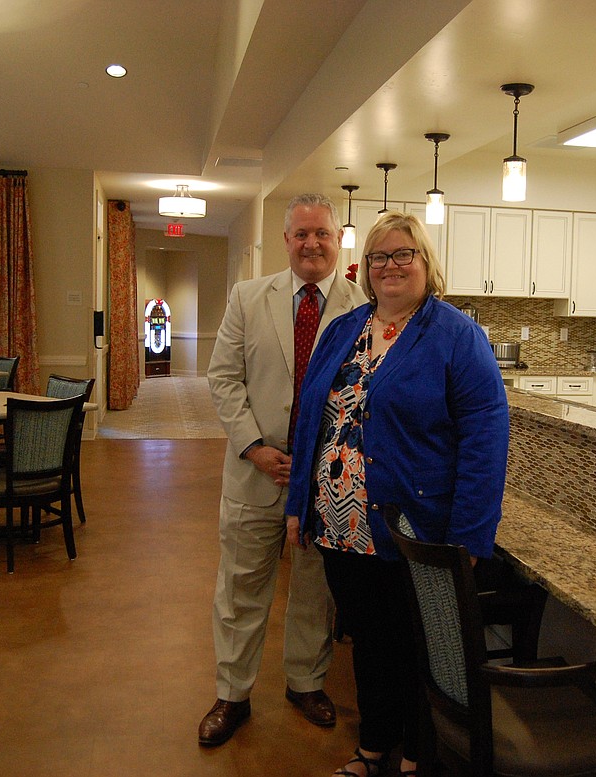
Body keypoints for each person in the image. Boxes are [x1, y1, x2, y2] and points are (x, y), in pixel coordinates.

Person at [284, 211, 509, 777]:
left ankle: (416, 753)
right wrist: (298, 505)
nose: (391, 265)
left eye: (403, 254)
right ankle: (373, 746)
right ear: (366, 269)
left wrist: (469, 534)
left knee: (416, 645)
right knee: (368, 642)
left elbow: (486, 436)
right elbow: (311, 419)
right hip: (340, 526)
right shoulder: (345, 328)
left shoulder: (457, 335)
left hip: (414, 528)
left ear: (426, 264)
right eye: (380, 256)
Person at [200, 193, 369, 747]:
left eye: (321, 233)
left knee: (317, 590)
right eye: (301, 234)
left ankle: (306, 683)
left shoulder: (362, 305)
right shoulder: (250, 297)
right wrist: (254, 447)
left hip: (326, 479)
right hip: (255, 471)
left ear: (338, 237)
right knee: (241, 587)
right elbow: (224, 377)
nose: (311, 244)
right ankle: (232, 695)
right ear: (286, 240)